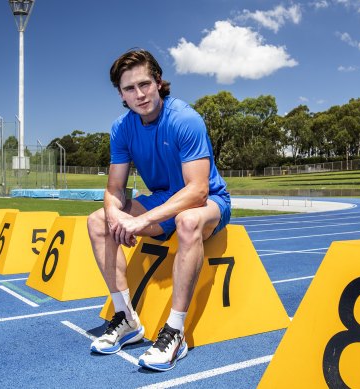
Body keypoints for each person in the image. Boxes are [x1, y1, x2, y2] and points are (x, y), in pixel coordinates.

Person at [87, 48, 231, 371]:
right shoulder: (121, 129)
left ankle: (175, 331)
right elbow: (114, 189)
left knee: (188, 220)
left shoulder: (185, 119)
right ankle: (126, 318)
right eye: (129, 88)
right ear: (120, 94)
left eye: (144, 84)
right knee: (97, 222)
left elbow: (198, 190)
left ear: (158, 81)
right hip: (163, 198)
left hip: (209, 202)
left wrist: (141, 222)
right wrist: (116, 216)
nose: (139, 94)